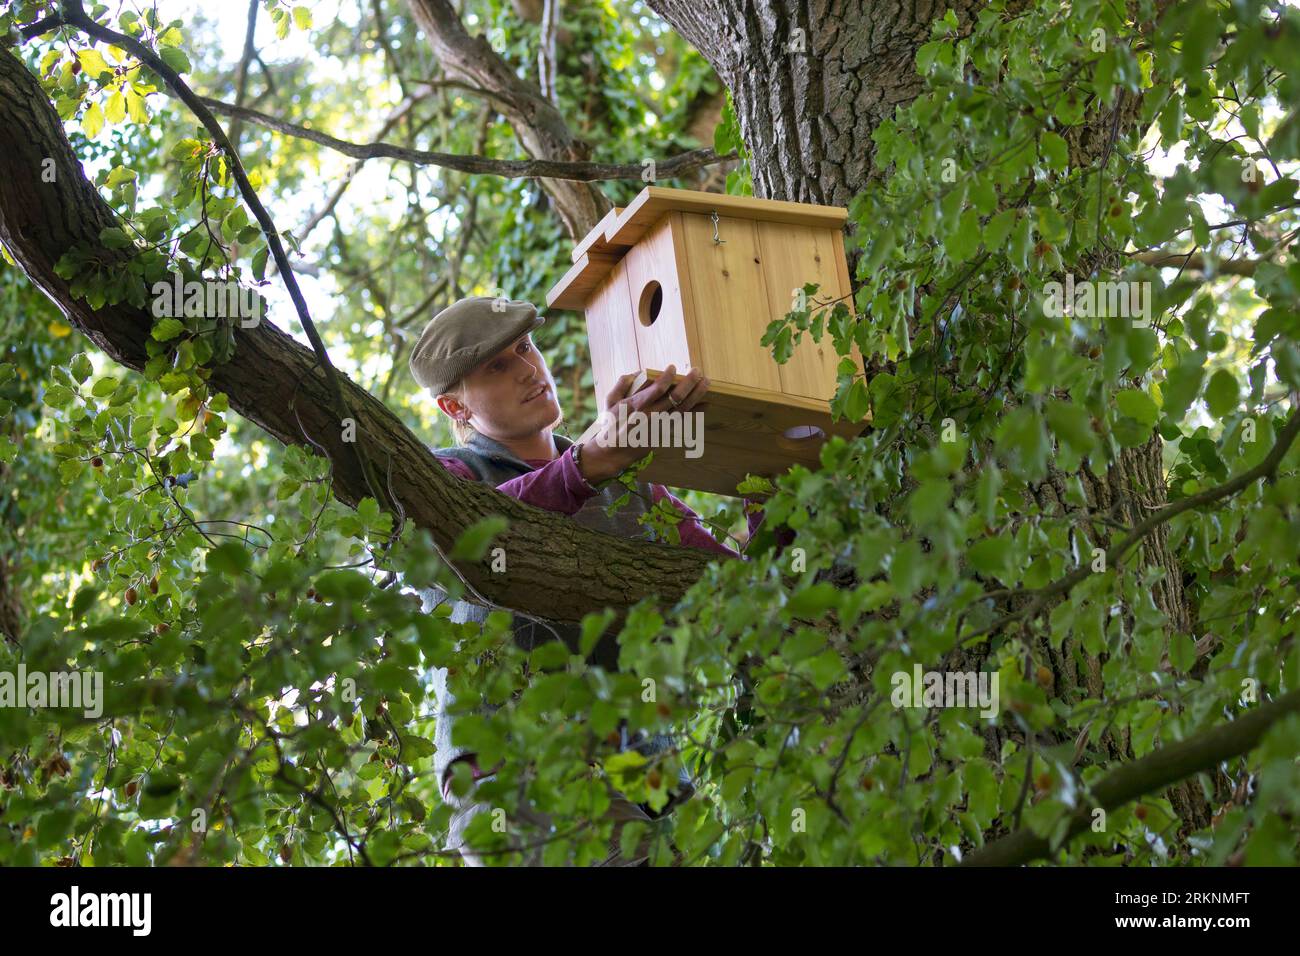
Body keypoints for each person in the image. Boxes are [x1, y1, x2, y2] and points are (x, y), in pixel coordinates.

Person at [408, 295, 761, 866]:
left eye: (525, 348)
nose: (528, 368)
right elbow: (470, 543)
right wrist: (591, 461)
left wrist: (761, 469)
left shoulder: (633, 486)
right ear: (456, 406)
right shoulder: (445, 479)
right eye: (497, 366)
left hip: (651, 778)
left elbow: (739, 590)